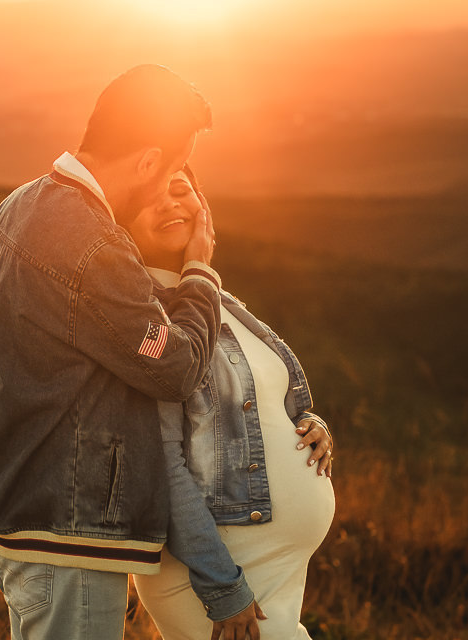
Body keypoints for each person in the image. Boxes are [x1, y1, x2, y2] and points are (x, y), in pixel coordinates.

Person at [0, 65, 263, 640]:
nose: (175, 183)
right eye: (174, 168)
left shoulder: (22, 204)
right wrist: (199, 272)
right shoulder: (93, 245)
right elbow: (172, 366)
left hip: (32, 514)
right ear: (149, 160)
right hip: (64, 533)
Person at [128, 165, 336, 639]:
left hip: (277, 567)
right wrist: (223, 587)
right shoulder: (145, 316)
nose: (169, 203)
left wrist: (311, 424)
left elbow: (268, 403)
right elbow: (162, 464)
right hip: (215, 571)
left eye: (179, 189)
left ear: (203, 204)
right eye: (148, 197)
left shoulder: (223, 303)